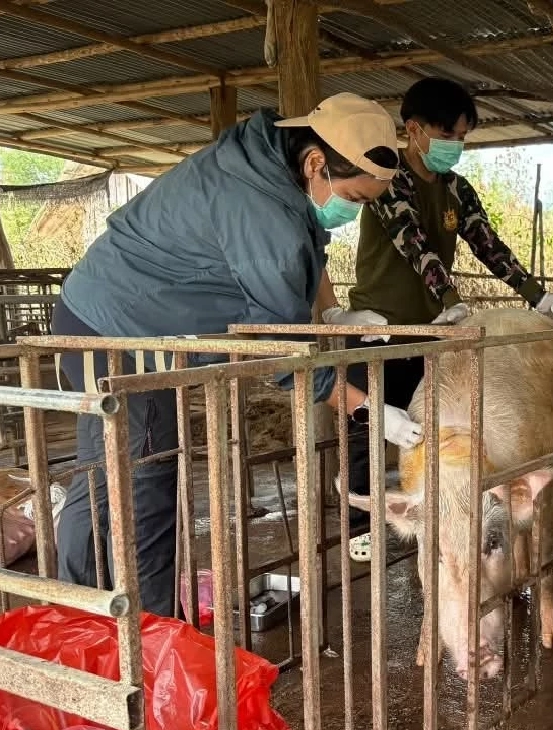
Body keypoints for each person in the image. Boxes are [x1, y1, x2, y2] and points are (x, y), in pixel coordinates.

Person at [50, 93, 419, 618]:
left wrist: (333, 314)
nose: (354, 211)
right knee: (145, 483)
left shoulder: (271, 164)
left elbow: (304, 251)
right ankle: (149, 639)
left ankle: (81, 615)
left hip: (97, 316)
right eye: (356, 199)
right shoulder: (258, 207)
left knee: (104, 473)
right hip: (121, 336)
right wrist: (367, 408)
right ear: (317, 163)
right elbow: (280, 354)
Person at [332, 77, 553, 561]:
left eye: (463, 137)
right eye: (449, 135)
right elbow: (411, 240)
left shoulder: (456, 190)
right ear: (414, 128)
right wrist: (449, 294)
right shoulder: (388, 180)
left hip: (432, 335)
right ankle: (363, 525)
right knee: (370, 428)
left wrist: (537, 296)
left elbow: (488, 244)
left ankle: (432, 513)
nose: (456, 146)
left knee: (425, 431)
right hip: (379, 329)